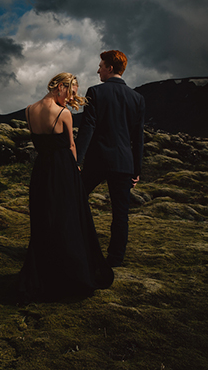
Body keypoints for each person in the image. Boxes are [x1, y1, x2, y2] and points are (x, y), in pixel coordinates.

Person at [18, 72, 114, 303]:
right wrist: (76, 169)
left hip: (41, 171)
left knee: (44, 220)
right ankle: (71, 276)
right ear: (60, 86)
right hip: (63, 171)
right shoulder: (63, 114)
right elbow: (71, 145)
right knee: (67, 220)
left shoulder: (29, 110)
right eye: (70, 93)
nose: (70, 99)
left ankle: (43, 275)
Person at [75, 50, 146, 268]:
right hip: (124, 163)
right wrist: (136, 169)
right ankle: (115, 260)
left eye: (101, 66)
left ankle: (76, 248)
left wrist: (76, 160)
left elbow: (88, 128)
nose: (98, 70)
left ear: (110, 68)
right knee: (120, 214)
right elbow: (138, 137)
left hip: (97, 160)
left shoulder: (95, 92)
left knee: (75, 200)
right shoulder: (137, 98)